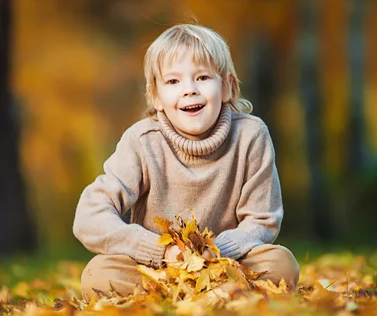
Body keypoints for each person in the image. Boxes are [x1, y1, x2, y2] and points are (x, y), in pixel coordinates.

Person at [73, 24, 300, 300]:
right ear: (155, 97)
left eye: (203, 77)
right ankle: (207, 298)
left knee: (281, 264)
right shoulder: (142, 141)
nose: (189, 90)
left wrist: (216, 252)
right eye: (173, 82)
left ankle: (205, 293)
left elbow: (262, 220)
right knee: (99, 274)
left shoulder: (251, 136)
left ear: (228, 87)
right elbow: (89, 216)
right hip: (156, 269)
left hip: (226, 265)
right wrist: (159, 251)